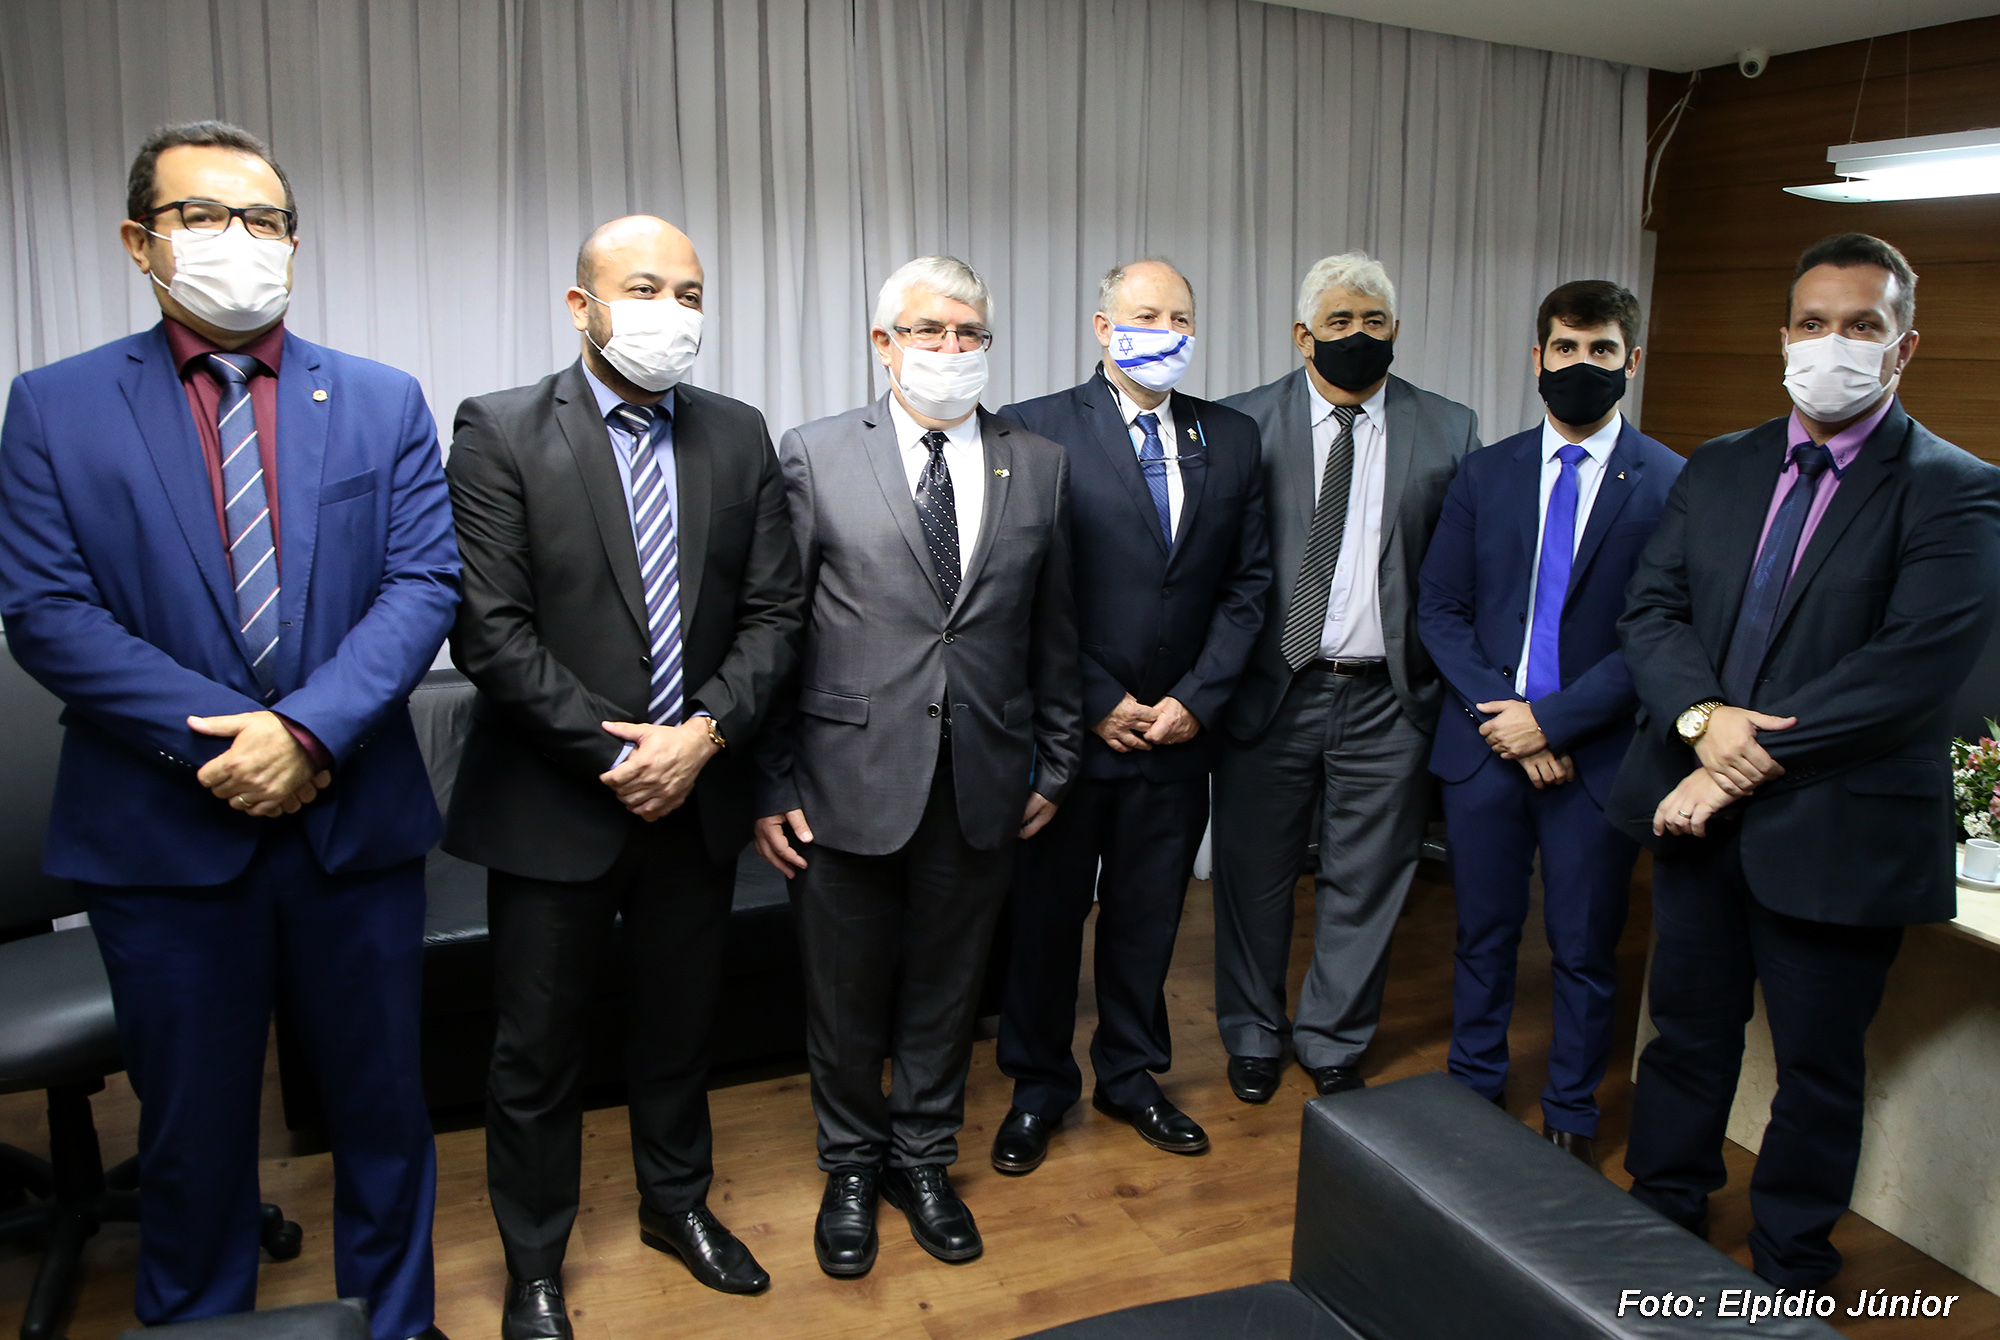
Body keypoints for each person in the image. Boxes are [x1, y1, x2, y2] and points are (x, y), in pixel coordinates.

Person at [0, 121, 458, 1340]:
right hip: (163, 834)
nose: (237, 241)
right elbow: (46, 612)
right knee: (193, 1130)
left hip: (351, 825)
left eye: (263, 220)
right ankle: (198, 1324)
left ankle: (397, 1322)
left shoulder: (379, 398)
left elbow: (423, 583)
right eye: (203, 216)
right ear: (139, 241)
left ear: (294, 244)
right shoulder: (54, 405)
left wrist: (304, 734)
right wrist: (230, 742)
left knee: (381, 1111)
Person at [1613, 233, 2000, 1286]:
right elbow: (1651, 610)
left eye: (1861, 325)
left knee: (1817, 1071)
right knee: (1684, 1038)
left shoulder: (1956, 490)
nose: (1833, 344)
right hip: (1701, 827)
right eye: (1814, 322)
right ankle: (1657, 1225)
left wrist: (1725, 762)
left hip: (1837, 828)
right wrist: (1703, 720)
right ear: (1783, 335)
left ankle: (1789, 1271)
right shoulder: (1720, 465)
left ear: (1903, 345)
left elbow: (1906, 672)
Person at [445, 216, 803, 1331]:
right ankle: (535, 1260)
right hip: (555, 801)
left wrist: (701, 737)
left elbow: (774, 613)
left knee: (678, 1026)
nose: (672, 312)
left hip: (695, 795)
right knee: (536, 1049)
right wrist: (620, 755)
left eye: (689, 293)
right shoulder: (499, 429)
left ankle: (675, 1205)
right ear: (581, 306)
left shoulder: (737, 433)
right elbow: (490, 631)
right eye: (645, 288)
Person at [753, 256, 1082, 1277]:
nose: (950, 349)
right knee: (844, 992)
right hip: (841, 777)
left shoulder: (1038, 464)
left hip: (984, 775)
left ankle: (922, 1157)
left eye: (968, 332)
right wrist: (770, 781)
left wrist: (1056, 762)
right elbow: (775, 629)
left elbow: (1053, 627)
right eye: (928, 330)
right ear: (882, 343)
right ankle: (851, 1165)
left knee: (948, 986)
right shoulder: (814, 454)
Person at [990, 259, 1270, 1171]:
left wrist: (1195, 699)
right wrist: (1097, 700)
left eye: (1181, 317)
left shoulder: (1230, 436)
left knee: (1149, 920)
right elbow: (1024, 587)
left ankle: (1131, 1074)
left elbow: (1247, 585)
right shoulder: (1033, 426)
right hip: (1073, 735)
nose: (1167, 331)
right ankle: (1038, 1087)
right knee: (1045, 923)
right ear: (1103, 327)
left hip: (1177, 737)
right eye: (1147, 314)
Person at [1416, 280, 1682, 1168]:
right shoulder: (1485, 472)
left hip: (1597, 758)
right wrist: (1509, 720)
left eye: (1600, 350)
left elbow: (1660, 633)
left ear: (1630, 361)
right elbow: (1441, 608)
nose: (1580, 364)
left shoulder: (1671, 483)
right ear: (1537, 357)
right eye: (1565, 348)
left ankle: (1571, 1107)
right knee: (1482, 935)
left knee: (1584, 947)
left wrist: (1554, 724)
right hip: (1486, 746)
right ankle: (1473, 1085)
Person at [1212, 252, 1479, 1101]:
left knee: (1367, 879)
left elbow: (1460, 572)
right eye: (1339, 321)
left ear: (1396, 330)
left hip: (1389, 697)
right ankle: (1253, 1032)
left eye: (1373, 322)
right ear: (1303, 336)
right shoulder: (1240, 424)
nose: (1357, 335)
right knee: (1253, 876)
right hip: (1270, 690)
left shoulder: (1450, 428)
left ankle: (1333, 1037)